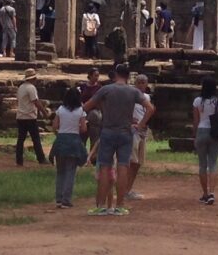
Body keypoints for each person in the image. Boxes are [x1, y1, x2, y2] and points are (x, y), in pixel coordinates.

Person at [84, 63, 151, 216]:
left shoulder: (106, 89)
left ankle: (101, 205)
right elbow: (150, 108)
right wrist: (140, 125)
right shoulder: (133, 91)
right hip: (126, 132)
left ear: (115, 74)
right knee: (123, 167)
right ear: (128, 76)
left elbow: (87, 106)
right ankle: (120, 205)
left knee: (105, 168)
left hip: (108, 131)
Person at [48, 86, 87, 209]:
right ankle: (66, 199)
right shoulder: (80, 110)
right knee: (71, 171)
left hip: (61, 140)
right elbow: (84, 128)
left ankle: (58, 199)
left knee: (60, 172)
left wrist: (59, 135)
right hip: (74, 140)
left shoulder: (60, 109)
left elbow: (54, 126)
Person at [192, 79, 218, 204]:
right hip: (215, 133)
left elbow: (195, 121)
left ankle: (205, 194)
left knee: (202, 165)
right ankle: (211, 192)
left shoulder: (197, 101)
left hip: (201, 131)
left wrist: (194, 135)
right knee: (213, 163)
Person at [125, 74, 156, 200]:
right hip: (133, 131)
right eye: (140, 82)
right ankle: (124, 189)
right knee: (132, 161)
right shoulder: (130, 96)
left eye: (144, 82)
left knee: (138, 163)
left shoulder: (146, 97)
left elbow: (149, 111)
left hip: (142, 131)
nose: (142, 85)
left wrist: (143, 124)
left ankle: (128, 189)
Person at [14, 68, 47, 166]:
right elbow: (36, 101)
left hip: (20, 116)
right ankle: (41, 158)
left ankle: (19, 160)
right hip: (30, 116)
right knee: (36, 139)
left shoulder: (21, 87)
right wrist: (44, 112)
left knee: (21, 139)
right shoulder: (31, 88)